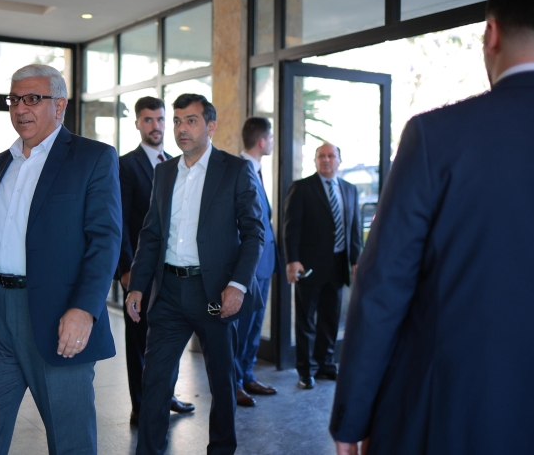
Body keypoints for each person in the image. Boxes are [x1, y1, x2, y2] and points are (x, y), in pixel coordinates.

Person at [330, 0, 534, 455]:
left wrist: (353, 416)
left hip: (451, 416)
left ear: (491, 33)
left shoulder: (436, 137)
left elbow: (384, 286)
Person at [0, 64, 122, 455]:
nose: (20, 108)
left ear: (59, 105)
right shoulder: (2, 162)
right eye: (14, 99)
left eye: (32, 98)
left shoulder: (92, 157)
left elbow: (105, 240)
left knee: (70, 442)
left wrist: (84, 309)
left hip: (57, 316)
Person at [125, 93, 265, 455]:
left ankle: (221, 449)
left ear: (210, 126)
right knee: (155, 381)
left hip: (214, 294)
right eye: (176, 121)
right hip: (169, 293)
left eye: (191, 120)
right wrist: (138, 285)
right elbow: (151, 234)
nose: (180, 129)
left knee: (221, 379)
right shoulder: (164, 171)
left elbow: (254, 232)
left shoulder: (235, 170)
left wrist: (238, 285)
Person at [117, 96, 194, 426]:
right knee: (139, 342)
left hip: (172, 272)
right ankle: (140, 405)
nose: (156, 126)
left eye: (161, 119)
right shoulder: (125, 165)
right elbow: (118, 221)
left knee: (169, 339)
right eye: (148, 120)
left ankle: (166, 395)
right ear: (137, 123)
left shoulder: (178, 164)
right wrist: (125, 270)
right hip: (140, 272)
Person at [283, 143, 361, 389]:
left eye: (331, 156)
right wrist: (292, 259)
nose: (326, 160)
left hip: (338, 265)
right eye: (321, 156)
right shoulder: (301, 188)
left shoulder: (349, 189)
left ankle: (326, 364)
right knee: (306, 320)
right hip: (308, 266)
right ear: (315, 160)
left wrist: (356, 261)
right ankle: (306, 370)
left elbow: (354, 229)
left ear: (339, 160)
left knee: (330, 318)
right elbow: (291, 227)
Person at [234, 117, 283, 407]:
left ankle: (248, 375)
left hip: (264, 265)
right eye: (271, 138)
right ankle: (235, 382)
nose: (273, 142)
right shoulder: (239, 170)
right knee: (242, 326)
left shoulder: (257, 170)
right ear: (262, 141)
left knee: (254, 326)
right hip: (249, 266)